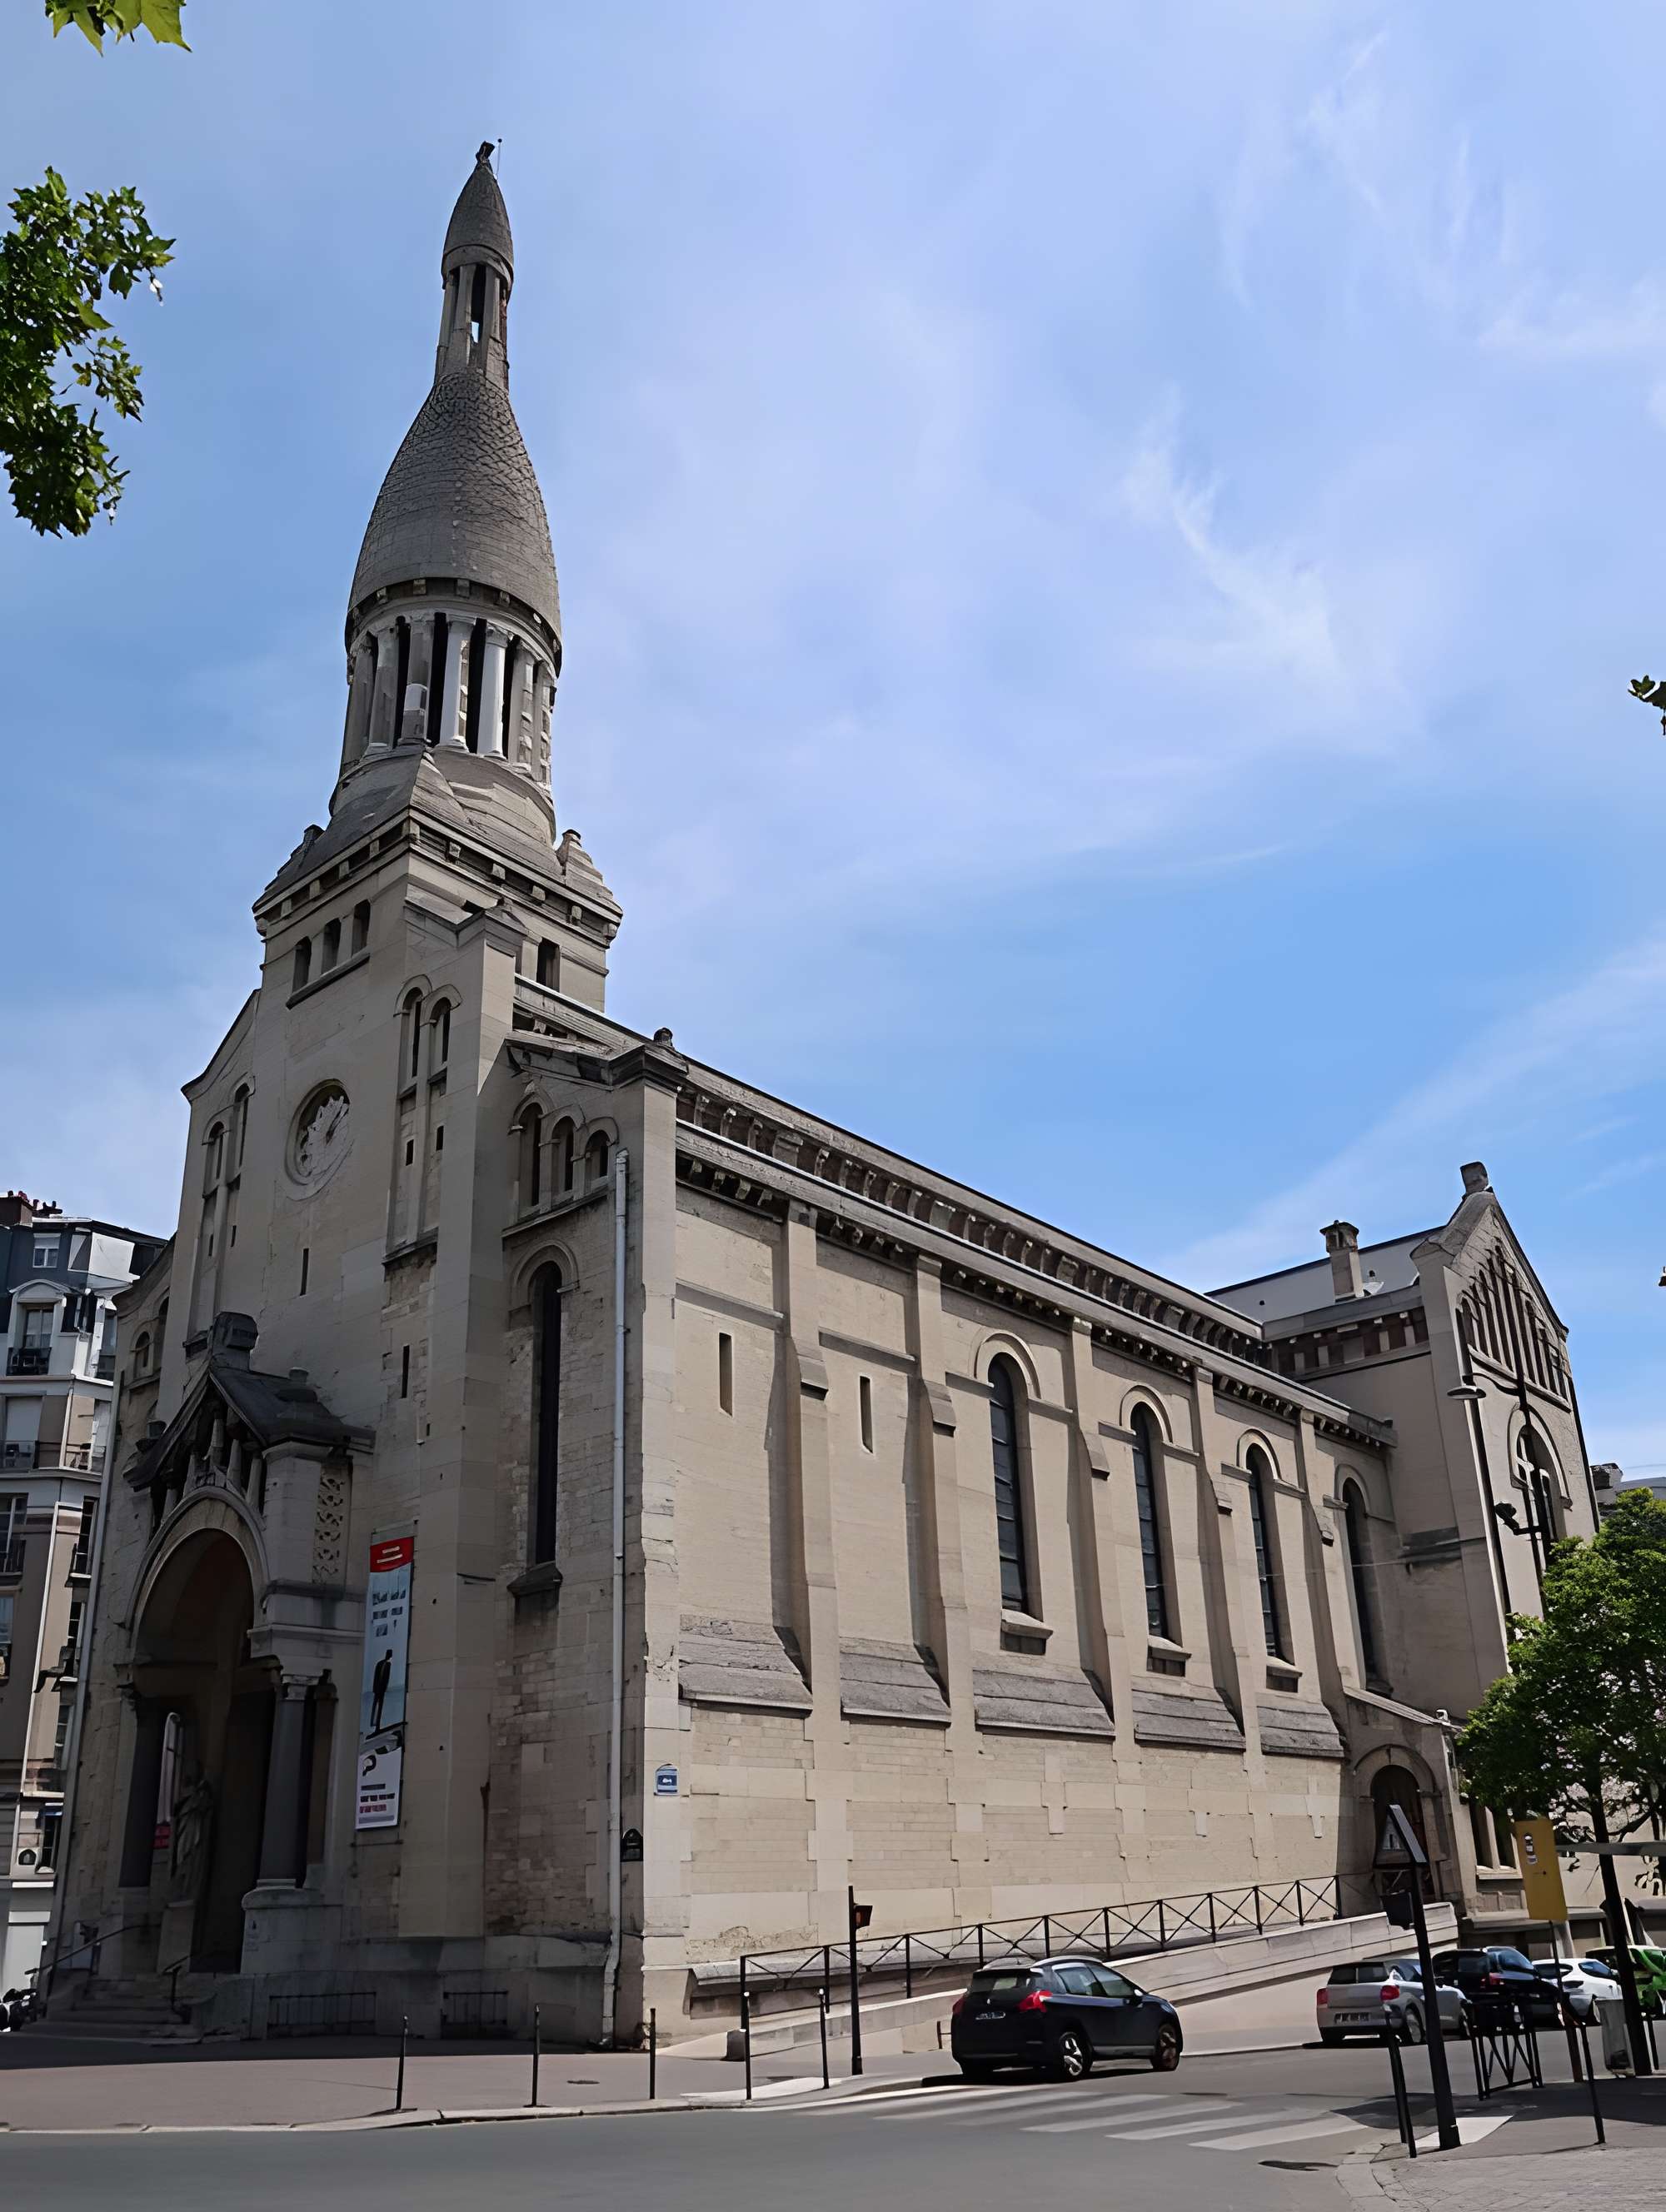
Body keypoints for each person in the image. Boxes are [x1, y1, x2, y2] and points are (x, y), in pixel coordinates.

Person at [370, 1647, 392, 1734]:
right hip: (378, 1689)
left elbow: (386, 1678)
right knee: (376, 1706)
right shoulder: (381, 1664)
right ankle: (373, 1724)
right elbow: (377, 1677)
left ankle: (377, 1725)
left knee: (379, 1707)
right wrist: (375, 1688)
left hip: (381, 1690)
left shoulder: (386, 1664)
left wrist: (385, 1688)